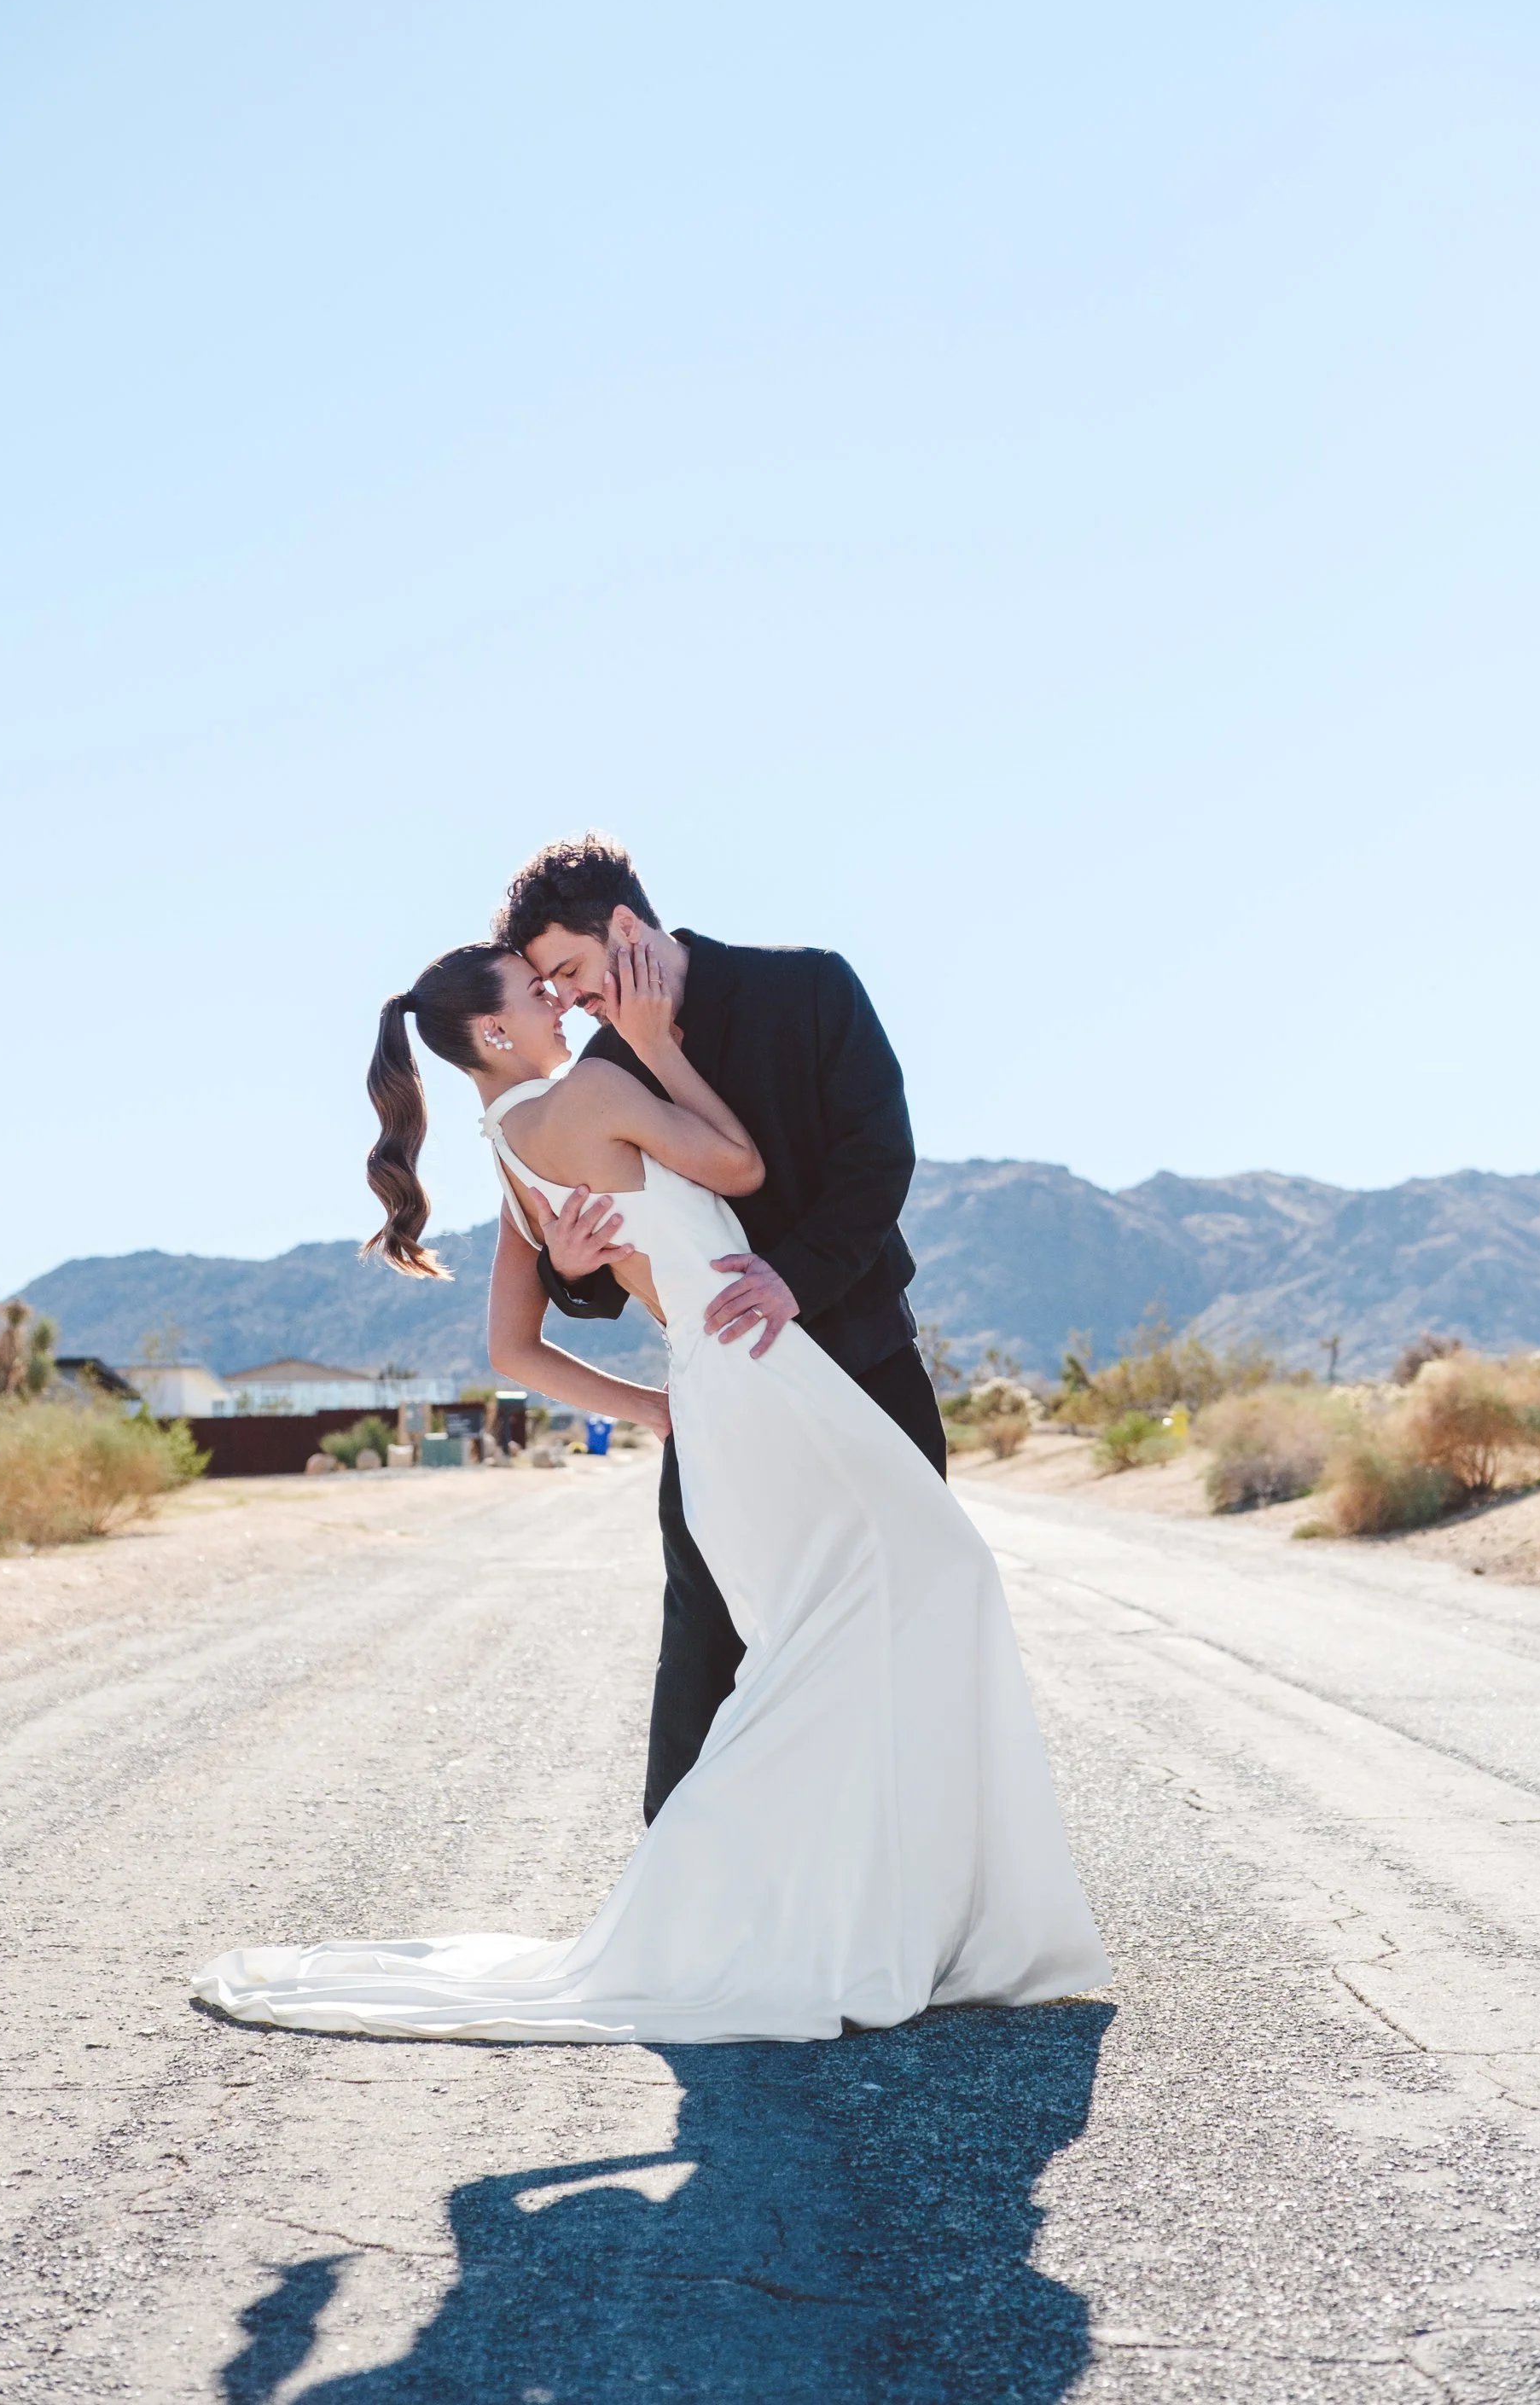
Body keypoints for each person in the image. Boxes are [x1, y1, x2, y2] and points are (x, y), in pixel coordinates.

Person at [189, 933, 1109, 2043]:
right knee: (904, 1600)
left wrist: (659, 1408)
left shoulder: (508, 1154)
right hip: (762, 1385)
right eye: (539, 995)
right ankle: (797, 1904)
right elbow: (736, 1167)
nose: (563, 1004)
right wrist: (663, 1048)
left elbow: (511, 1352)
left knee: (839, 1635)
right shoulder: (589, 1093)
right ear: (493, 1031)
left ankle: (835, 1906)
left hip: (728, 1393)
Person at [495, 834, 944, 1824]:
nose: (565, 1003)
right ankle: (675, 1905)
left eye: (569, 971)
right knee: (705, 1639)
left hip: (866, 1361)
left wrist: (795, 1279)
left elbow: (879, 1160)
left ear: (623, 927)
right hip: (721, 1395)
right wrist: (569, 1277)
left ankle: (903, 1883)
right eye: (546, 989)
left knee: (908, 1608)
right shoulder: (601, 1075)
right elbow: (611, 1250)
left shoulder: (812, 989)